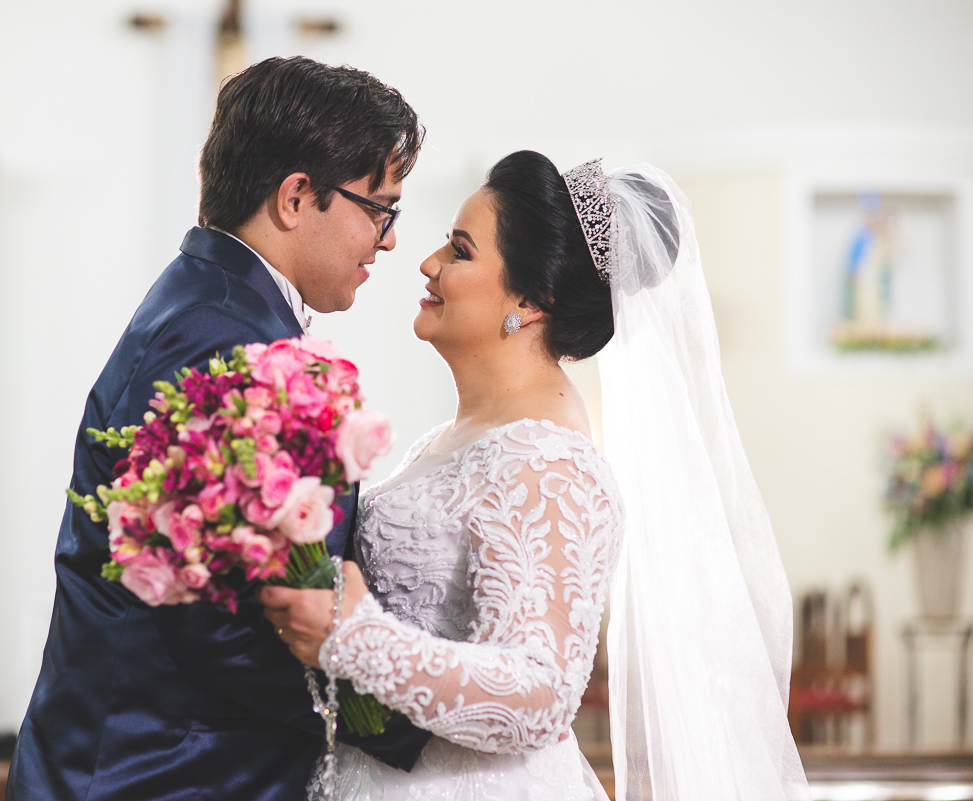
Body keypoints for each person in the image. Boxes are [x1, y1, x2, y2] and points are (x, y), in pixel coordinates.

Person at [261, 151, 811, 800]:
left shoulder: (548, 462)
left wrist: (355, 635)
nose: (428, 263)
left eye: (459, 251)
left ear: (531, 300)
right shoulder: (455, 439)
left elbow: (538, 692)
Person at [6, 56, 432, 801]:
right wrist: (411, 712)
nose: (389, 240)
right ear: (298, 196)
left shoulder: (209, 304)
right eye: (379, 208)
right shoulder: (225, 338)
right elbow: (224, 623)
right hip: (164, 775)